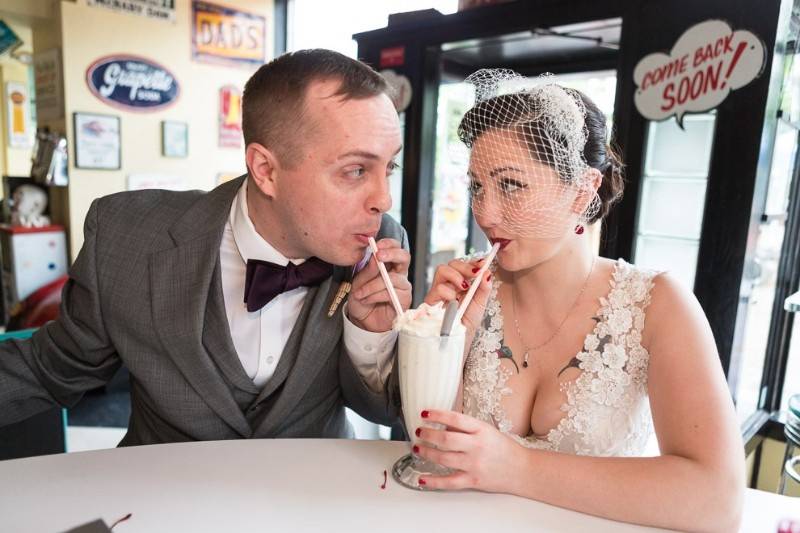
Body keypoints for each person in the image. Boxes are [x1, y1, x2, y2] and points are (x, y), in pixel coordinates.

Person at [0, 49, 411, 445]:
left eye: (387, 167)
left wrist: (368, 336)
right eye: (356, 170)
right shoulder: (128, 237)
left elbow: (382, 407)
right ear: (266, 170)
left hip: (308, 498)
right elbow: (52, 369)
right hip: (158, 500)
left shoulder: (381, 244)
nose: (384, 198)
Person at [418, 70, 744, 532]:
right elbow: (427, 450)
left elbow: (718, 500)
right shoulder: (467, 289)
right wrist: (444, 339)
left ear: (583, 189)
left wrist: (519, 467)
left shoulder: (656, 305)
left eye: (510, 184)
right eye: (477, 186)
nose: (485, 214)